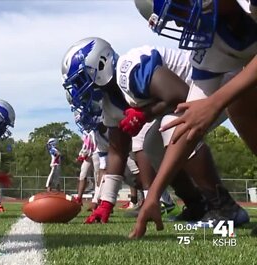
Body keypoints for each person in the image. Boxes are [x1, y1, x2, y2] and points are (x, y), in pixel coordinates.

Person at [61, 37, 234, 225]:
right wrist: (106, 203)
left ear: (101, 64)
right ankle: (197, 204)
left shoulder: (130, 68)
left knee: (173, 127)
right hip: (193, 100)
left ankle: (224, 207)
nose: (80, 90)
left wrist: (144, 114)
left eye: (81, 80)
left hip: (219, 83)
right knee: (152, 144)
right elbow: (117, 151)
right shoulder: (110, 103)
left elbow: (180, 94)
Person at [131, 0, 257, 238]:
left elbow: (209, 105)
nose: (181, 21)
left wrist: (215, 102)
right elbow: (188, 123)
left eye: (178, 9)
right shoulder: (212, 42)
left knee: (234, 93)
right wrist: (154, 194)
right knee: (239, 101)